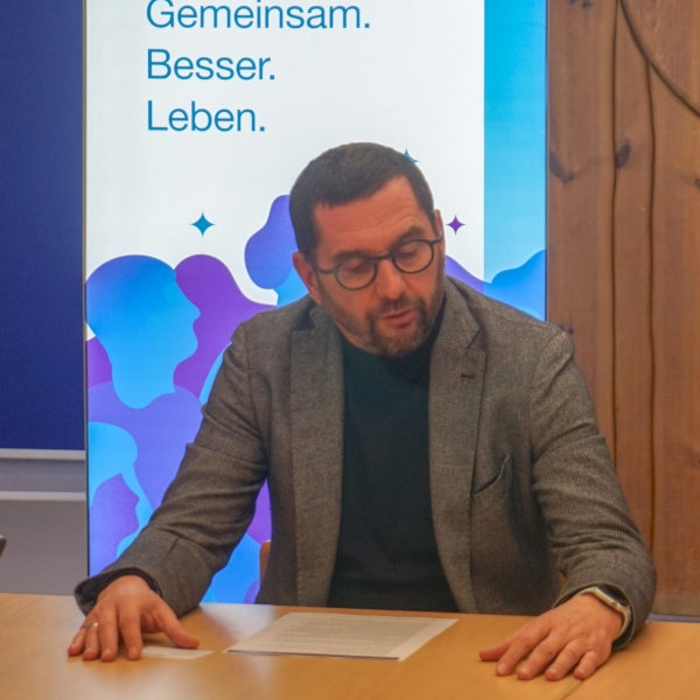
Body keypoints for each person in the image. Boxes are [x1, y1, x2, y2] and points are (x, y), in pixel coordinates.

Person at [69, 142, 655, 681]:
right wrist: (136, 581)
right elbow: (192, 524)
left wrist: (597, 604)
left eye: (410, 251)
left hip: (487, 666)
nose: (394, 285)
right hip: (310, 664)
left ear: (438, 236)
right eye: (356, 267)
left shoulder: (529, 358)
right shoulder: (263, 355)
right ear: (310, 278)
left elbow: (608, 545)